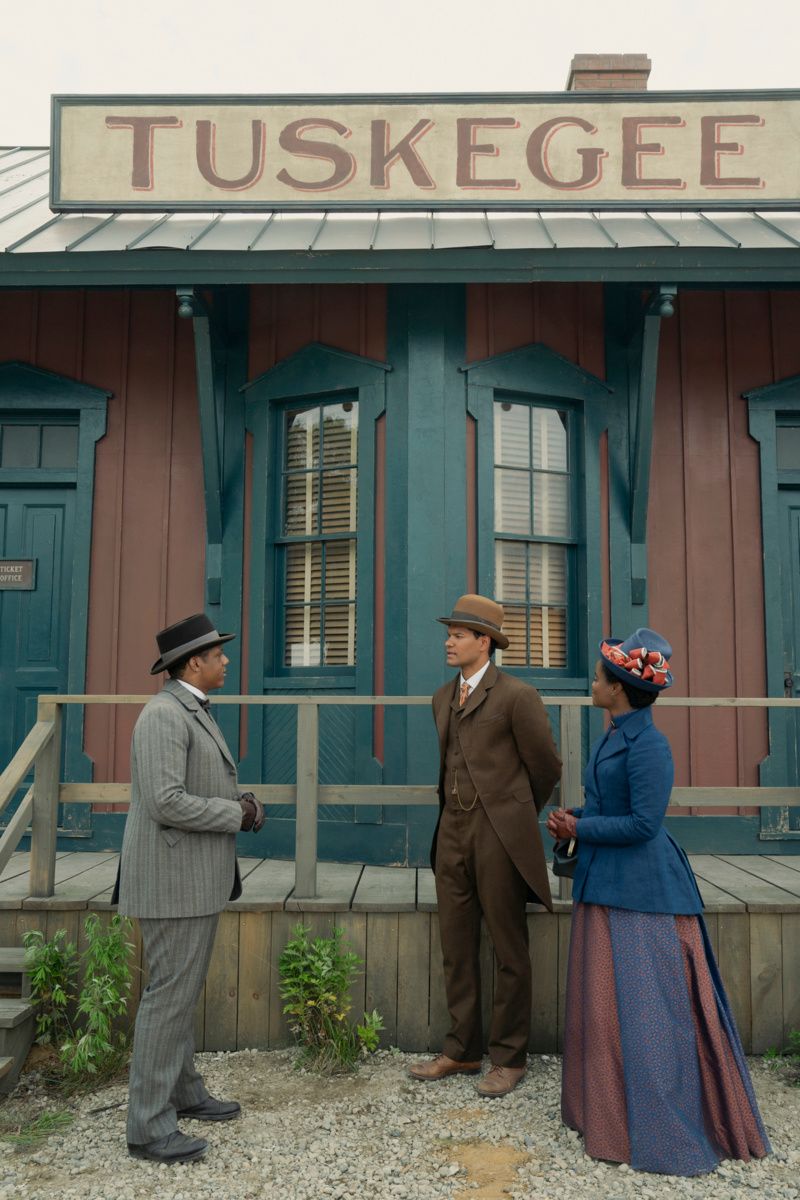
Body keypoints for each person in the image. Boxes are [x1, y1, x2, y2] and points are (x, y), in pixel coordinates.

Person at [546, 628, 770, 1176]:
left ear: (619, 689)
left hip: (643, 892)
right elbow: (609, 802)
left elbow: (645, 824)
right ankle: (608, 1113)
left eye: (600, 677)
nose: (593, 682)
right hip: (606, 883)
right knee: (604, 1008)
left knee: (649, 1012)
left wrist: (584, 825)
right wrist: (574, 818)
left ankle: (662, 1128)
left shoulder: (650, 745)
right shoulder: (616, 732)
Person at [114, 613, 265, 1164]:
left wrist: (239, 799)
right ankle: (149, 1128)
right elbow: (165, 802)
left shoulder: (189, 710)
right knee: (167, 1000)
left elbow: (193, 784)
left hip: (190, 880)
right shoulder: (163, 715)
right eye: (218, 653)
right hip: (172, 882)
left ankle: (182, 1093)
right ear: (193, 662)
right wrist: (236, 814)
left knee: (176, 996)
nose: (226, 660)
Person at [410, 594, 562, 1097]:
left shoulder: (518, 696)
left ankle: (510, 1057)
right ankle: (461, 1050)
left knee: (508, 948)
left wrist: (512, 811)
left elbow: (545, 767)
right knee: (456, 946)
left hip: (499, 836)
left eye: (458, 634)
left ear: (484, 642)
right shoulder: (440, 697)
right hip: (450, 831)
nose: (448, 641)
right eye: (448, 633)